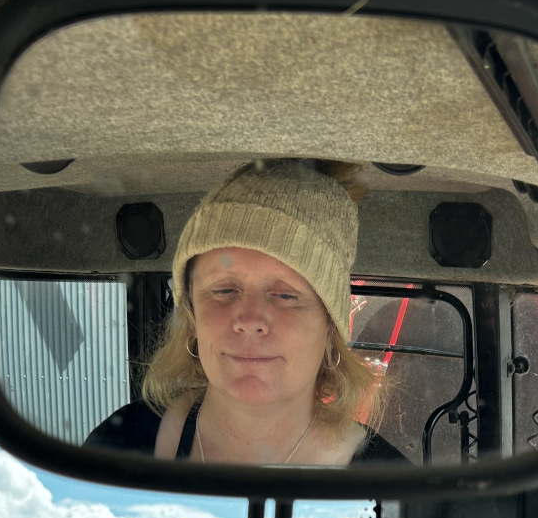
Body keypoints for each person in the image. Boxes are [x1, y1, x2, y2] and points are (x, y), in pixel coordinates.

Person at [87, 159, 406, 465]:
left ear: (330, 328)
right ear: (193, 317)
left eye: (285, 295)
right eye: (224, 290)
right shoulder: (119, 445)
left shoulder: (392, 486)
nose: (250, 321)